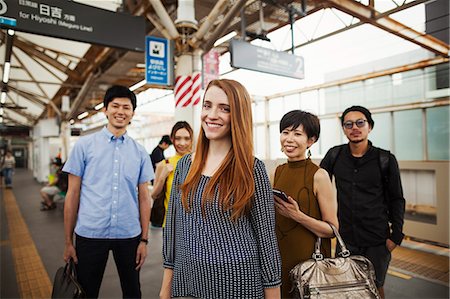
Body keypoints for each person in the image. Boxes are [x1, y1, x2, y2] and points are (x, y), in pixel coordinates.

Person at [160, 79, 281, 299]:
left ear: (238, 116)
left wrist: (273, 294)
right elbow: (174, 229)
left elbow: (266, 240)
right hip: (189, 283)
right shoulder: (185, 165)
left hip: (239, 286)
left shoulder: (251, 169)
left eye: (224, 109)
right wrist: (165, 287)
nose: (212, 115)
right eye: (207, 105)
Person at [62, 85, 153, 298]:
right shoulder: (84, 146)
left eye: (126, 107)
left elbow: (144, 197)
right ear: (105, 110)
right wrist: (68, 242)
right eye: (115, 106)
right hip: (90, 233)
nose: (120, 111)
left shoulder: (140, 152)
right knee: (85, 292)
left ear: (132, 113)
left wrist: (144, 240)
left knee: (133, 291)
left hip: (129, 234)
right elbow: (72, 194)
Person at [320, 105, 405, 299]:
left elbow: (397, 198)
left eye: (360, 123)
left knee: (374, 288)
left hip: (377, 239)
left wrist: (395, 237)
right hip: (345, 239)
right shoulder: (335, 155)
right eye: (348, 124)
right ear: (343, 129)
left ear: (370, 126)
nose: (354, 128)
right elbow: (318, 184)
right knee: (345, 288)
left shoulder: (385, 159)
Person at [273, 110, 339, 298]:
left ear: (311, 140)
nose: (289, 139)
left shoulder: (319, 175)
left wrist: (297, 215)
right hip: (279, 259)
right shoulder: (277, 172)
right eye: (285, 132)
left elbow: (332, 230)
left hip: (310, 264)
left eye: (297, 134)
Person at [150, 121, 193, 228]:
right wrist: (162, 177)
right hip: (170, 225)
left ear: (192, 140)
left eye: (187, 138)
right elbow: (154, 195)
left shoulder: (199, 163)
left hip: (194, 226)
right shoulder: (164, 165)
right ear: (172, 139)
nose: (182, 143)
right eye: (178, 138)